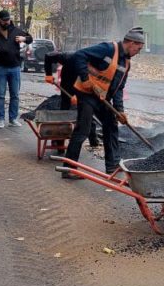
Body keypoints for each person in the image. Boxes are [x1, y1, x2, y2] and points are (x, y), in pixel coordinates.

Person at [64, 27, 146, 176]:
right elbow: (79, 55)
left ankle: (113, 166)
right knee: (83, 129)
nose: (138, 52)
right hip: (87, 94)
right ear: (131, 43)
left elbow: (119, 88)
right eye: (138, 49)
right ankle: (69, 168)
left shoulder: (126, 63)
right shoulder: (108, 48)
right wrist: (85, 78)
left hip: (103, 98)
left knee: (111, 127)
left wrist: (119, 110)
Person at [0, 10, 32, 129]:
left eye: (8, 20)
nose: (7, 22)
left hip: (14, 67)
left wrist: (24, 39)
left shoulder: (16, 30)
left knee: (15, 94)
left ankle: (13, 118)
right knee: (0, 95)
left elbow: (30, 38)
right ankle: (0, 119)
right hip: (0, 67)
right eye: (4, 20)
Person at [44, 51, 99, 147]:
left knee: (88, 110)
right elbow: (48, 56)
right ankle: (59, 142)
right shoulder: (68, 57)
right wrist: (48, 74)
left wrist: (79, 96)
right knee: (64, 112)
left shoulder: (95, 65)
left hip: (83, 87)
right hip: (67, 84)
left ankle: (93, 141)